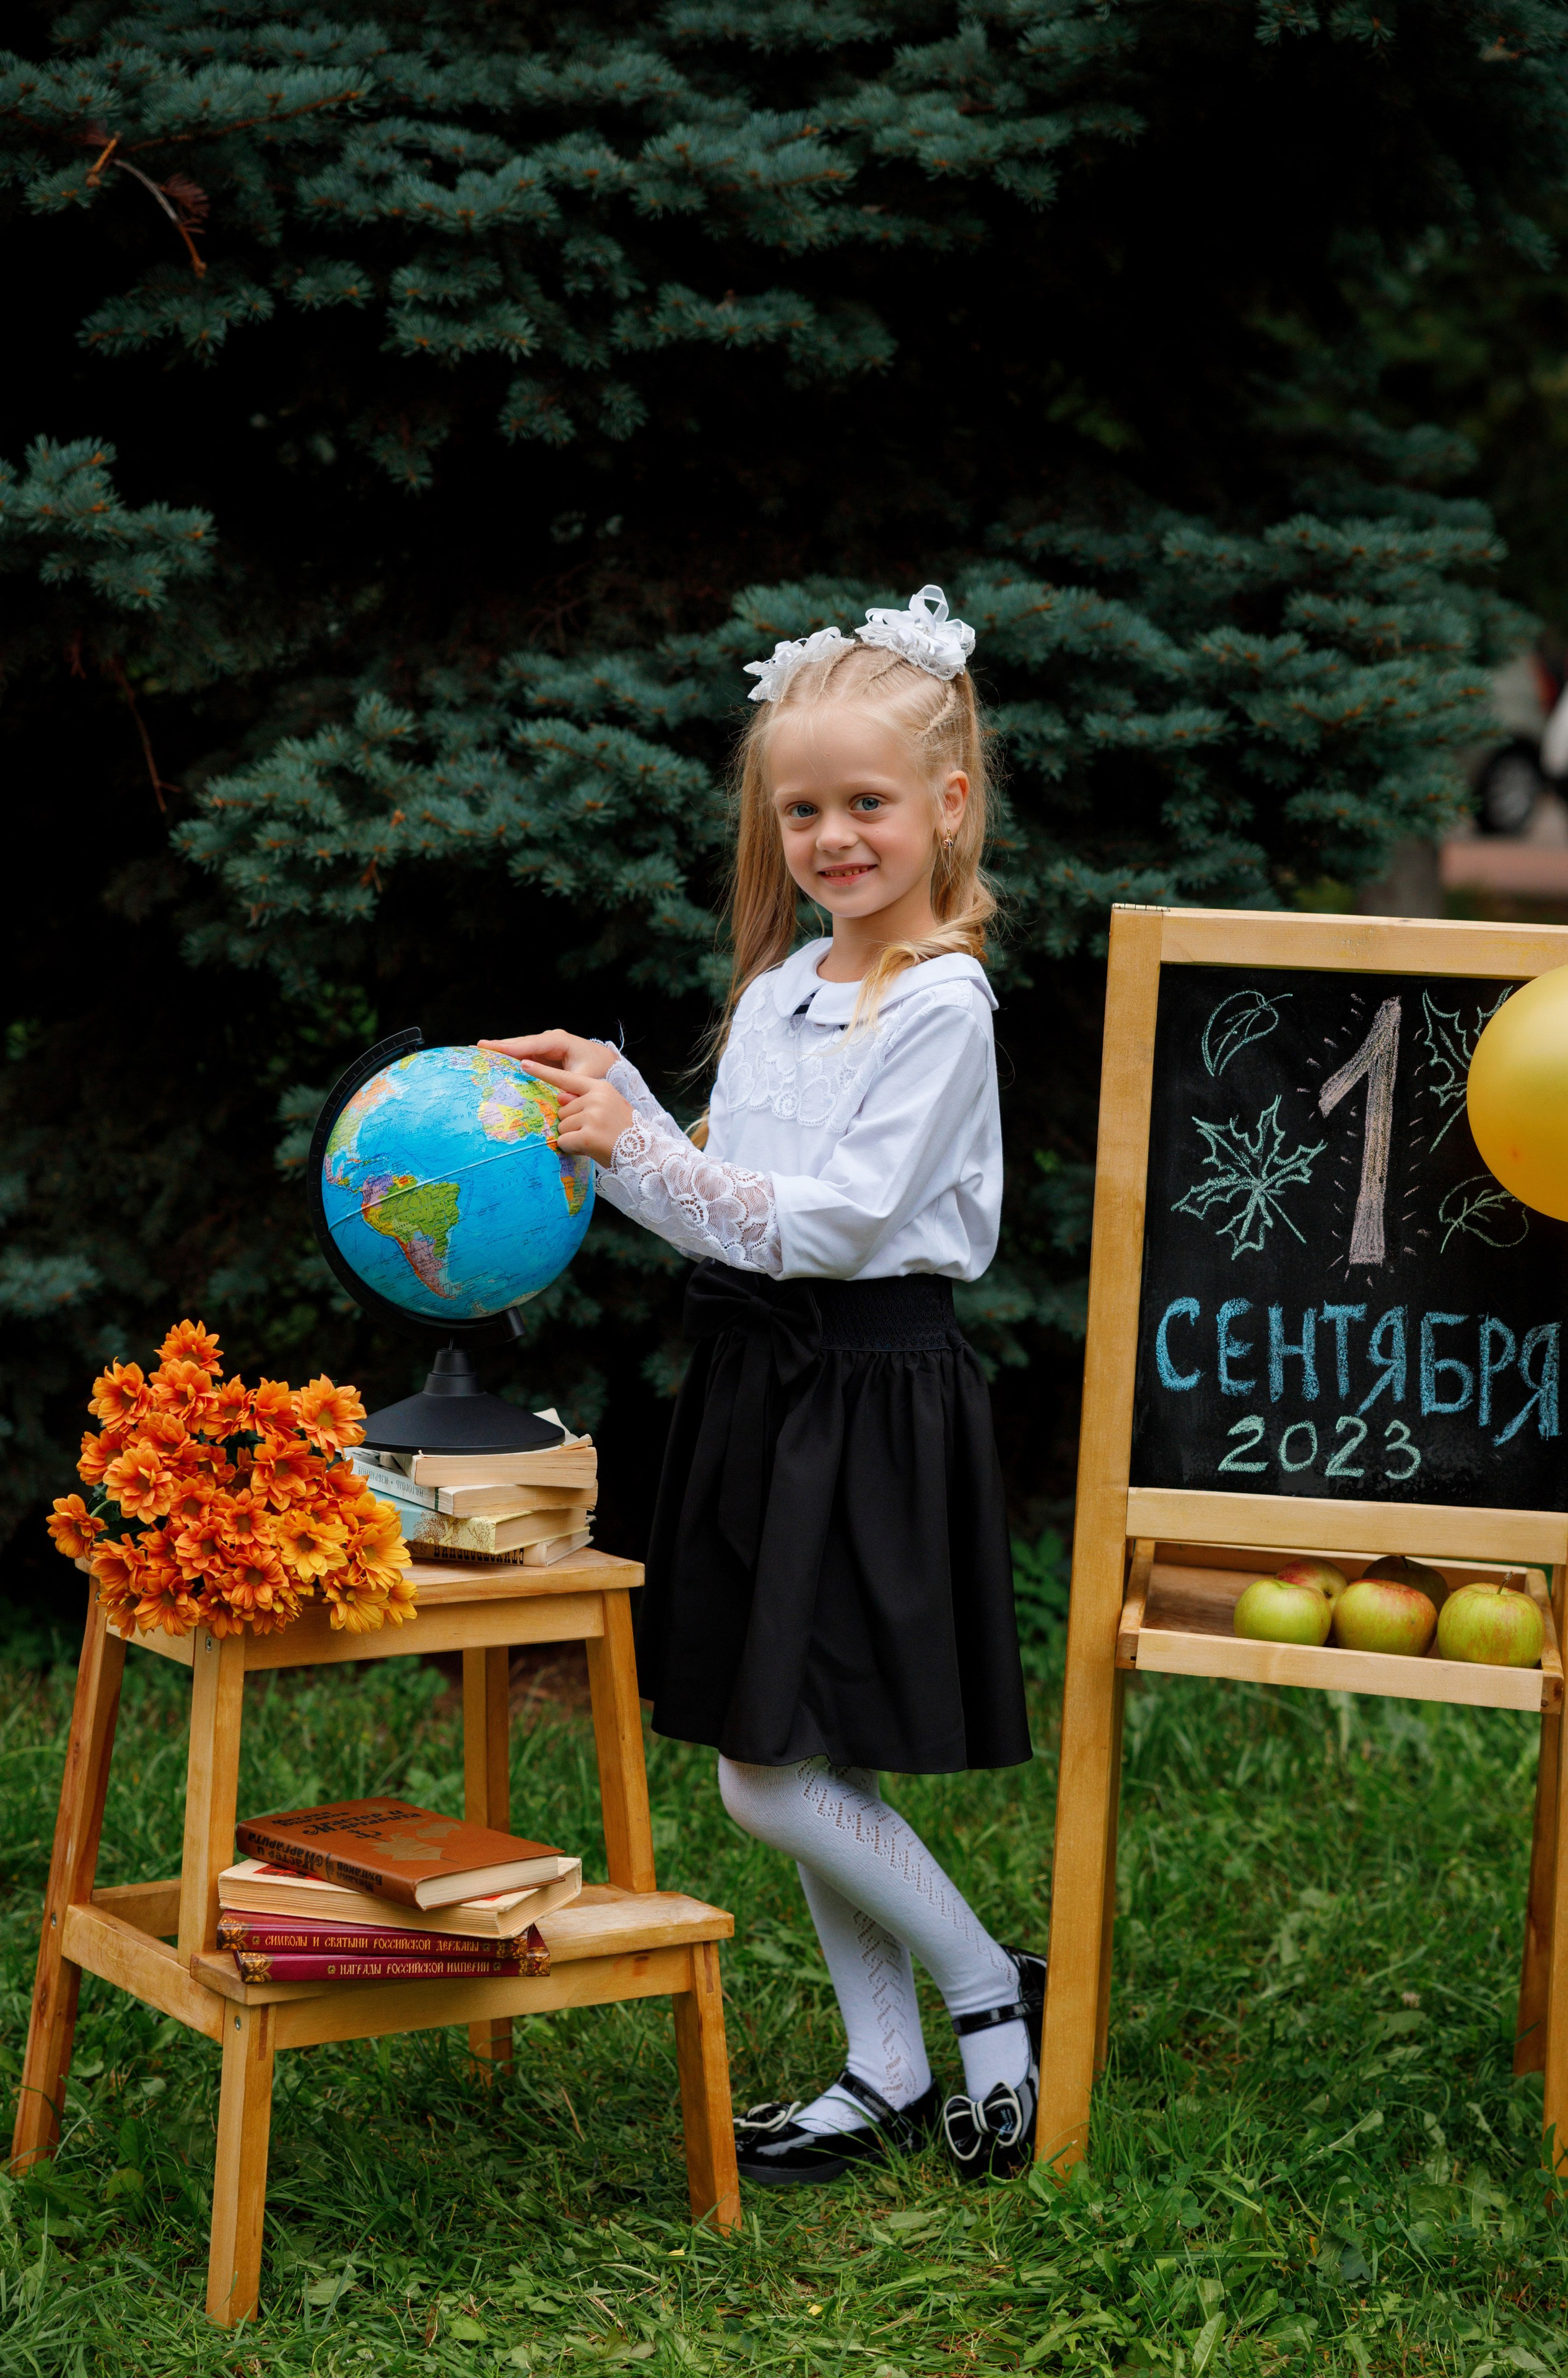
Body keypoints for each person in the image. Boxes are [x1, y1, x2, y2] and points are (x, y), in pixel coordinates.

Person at [482, 586, 1041, 2186]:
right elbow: (725, 1181)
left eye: (868, 803)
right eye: (803, 808)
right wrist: (622, 1093)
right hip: (766, 1386)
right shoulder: (784, 986)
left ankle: (987, 1997)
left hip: (871, 1385)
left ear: (947, 803)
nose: (833, 836)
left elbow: (836, 1223)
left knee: (768, 1768)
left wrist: (641, 1147)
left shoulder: (943, 1004)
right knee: (801, 1737)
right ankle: (882, 2068)